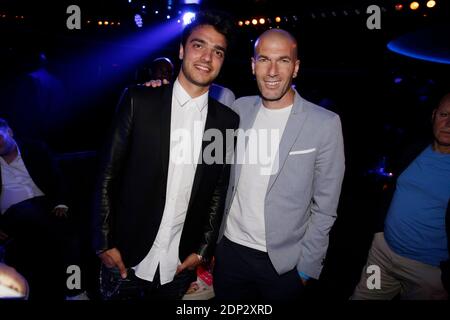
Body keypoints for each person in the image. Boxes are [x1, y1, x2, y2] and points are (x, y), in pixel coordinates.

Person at [92, 10, 239, 300]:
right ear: (182, 50)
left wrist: (203, 250)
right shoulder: (139, 101)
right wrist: (103, 243)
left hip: (178, 267)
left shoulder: (226, 121)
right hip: (126, 260)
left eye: (217, 51)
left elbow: (217, 191)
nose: (207, 58)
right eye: (199, 45)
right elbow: (107, 174)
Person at [213, 29, 345, 300]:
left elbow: (326, 207)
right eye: (264, 59)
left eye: (283, 60)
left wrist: (306, 269)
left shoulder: (324, 123)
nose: (272, 71)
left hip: (283, 265)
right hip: (230, 253)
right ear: (253, 65)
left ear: (295, 68)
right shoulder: (239, 108)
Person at [351, 93, 450, 300]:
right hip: (382, 255)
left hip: (426, 272)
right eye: (444, 114)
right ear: (434, 116)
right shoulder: (414, 149)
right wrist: (379, 232)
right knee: (365, 297)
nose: (448, 123)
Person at [0, 118, 85, 299]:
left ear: (9, 132)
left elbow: (58, 177)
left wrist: (61, 203)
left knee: (70, 237)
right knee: (27, 212)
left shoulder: (35, 149)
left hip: (47, 208)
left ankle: (75, 289)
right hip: (11, 216)